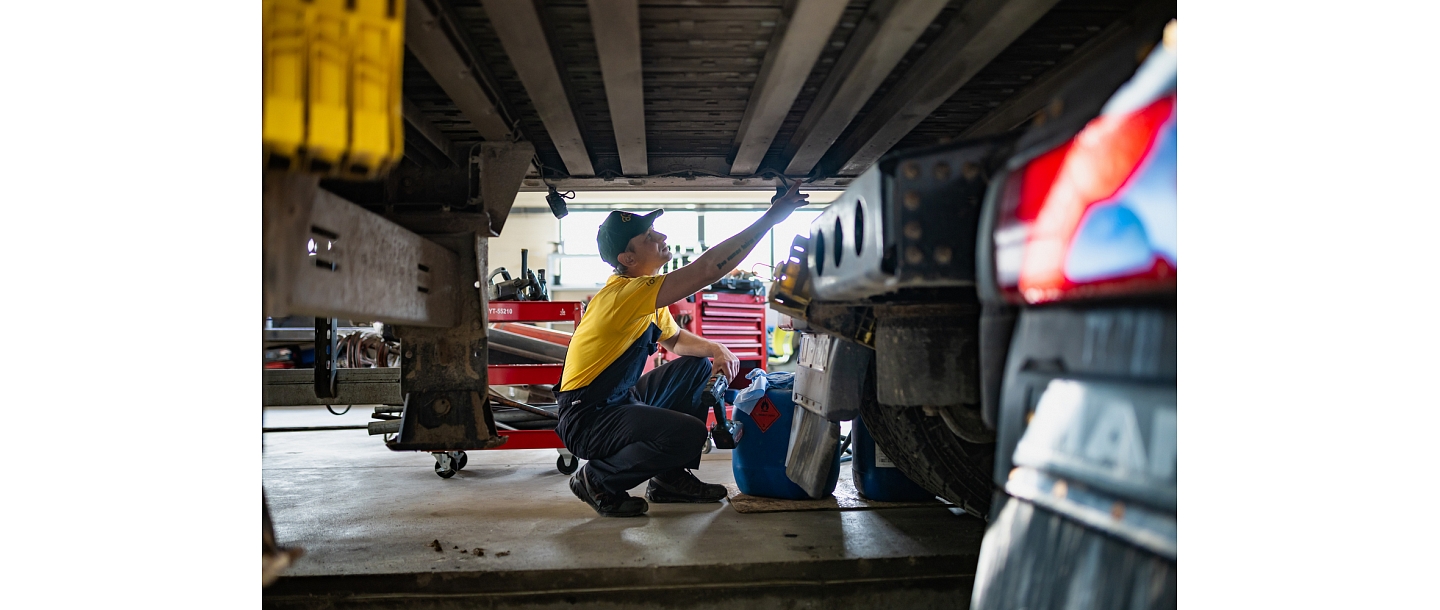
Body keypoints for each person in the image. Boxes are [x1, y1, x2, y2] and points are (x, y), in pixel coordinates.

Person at [555, 183, 811, 517]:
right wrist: (771, 218)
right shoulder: (623, 295)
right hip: (588, 417)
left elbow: (674, 340)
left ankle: (669, 478)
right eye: (648, 236)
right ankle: (598, 479)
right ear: (627, 259)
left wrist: (717, 348)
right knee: (689, 434)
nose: (659, 236)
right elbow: (708, 269)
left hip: (615, 401)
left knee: (697, 367)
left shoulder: (644, 294)